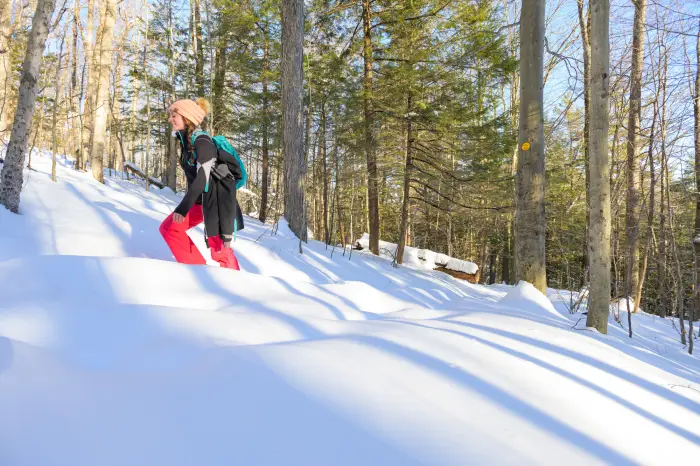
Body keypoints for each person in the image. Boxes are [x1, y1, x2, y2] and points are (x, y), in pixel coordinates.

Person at [159, 97, 241, 270]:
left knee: (220, 252)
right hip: (200, 202)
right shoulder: (186, 143)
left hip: (216, 203)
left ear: (187, 118)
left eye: (174, 115)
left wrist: (182, 208)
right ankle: (198, 271)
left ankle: (237, 290)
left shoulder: (202, 142)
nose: (170, 119)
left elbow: (202, 177)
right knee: (170, 228)